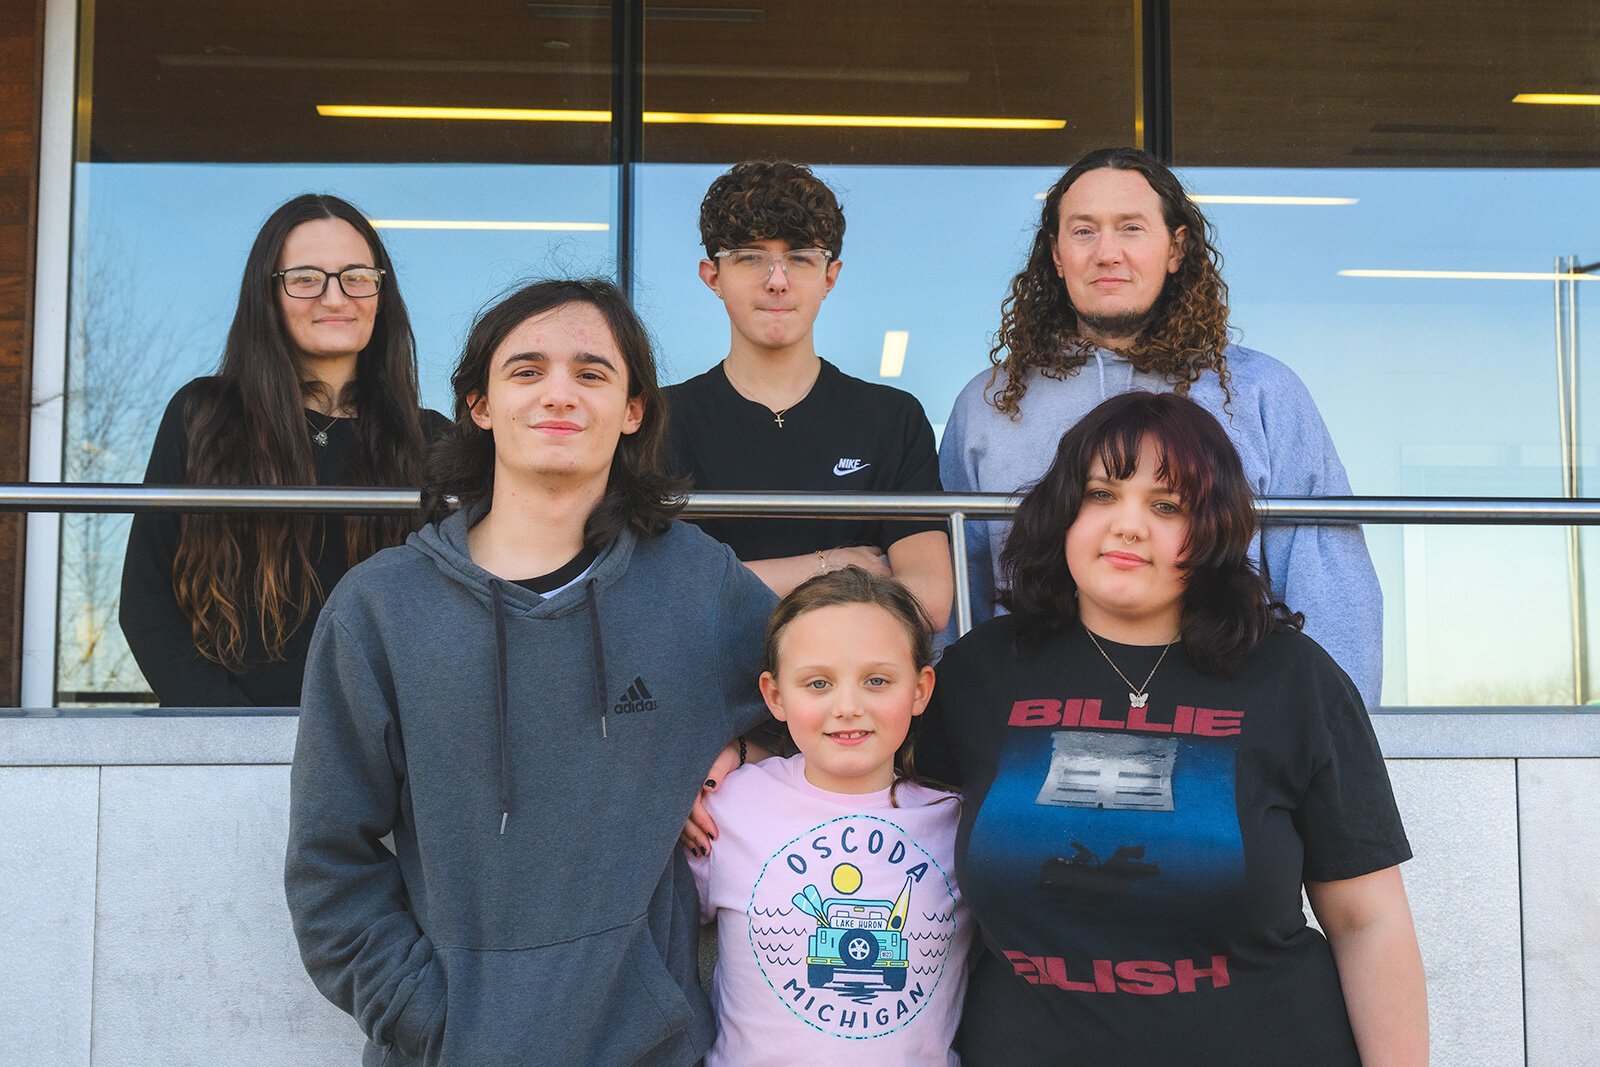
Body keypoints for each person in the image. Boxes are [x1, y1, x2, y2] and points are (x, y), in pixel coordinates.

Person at [285, 278, 778, 1066]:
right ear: (479, 404)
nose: (559, 394)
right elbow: (327, 863)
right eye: (526, 370)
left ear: (633, 410)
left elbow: (856, 701)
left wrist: (743, 760)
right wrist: (426, 1016)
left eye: (591, 373)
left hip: (649, 1046)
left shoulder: (696, 584)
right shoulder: (380, 608)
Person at [919, 391, 1426, 1064]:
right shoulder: (978, 674)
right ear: (1064, 511)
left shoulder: (1292, 680)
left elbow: (1369, 919)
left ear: (1212, 529)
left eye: (1166, 505)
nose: (1128, 526)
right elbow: (850, 783)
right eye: (1101, 494)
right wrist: (734, 753)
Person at [940, 146, 1382, 706]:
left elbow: (1329, 575)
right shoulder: (990, 402)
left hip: (1226, 704)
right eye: (1083, 231)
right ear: (1055, 254)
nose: (1107, 253)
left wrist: (1339, 735)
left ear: (1175, 249)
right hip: (1035, 712)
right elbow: (963, 587)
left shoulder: (1262, 392)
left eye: (1130, 228)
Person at [119, 193, 447, 706]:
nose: (335, 298)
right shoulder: (203, 415)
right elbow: (146, 599)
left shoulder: (431, 440)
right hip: (223, 744)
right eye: (306, 278)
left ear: (382, 294)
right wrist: (228, 732)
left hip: (384, 751)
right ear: (267, 294)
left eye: (357, 276)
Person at [686, 567, 973, 1065]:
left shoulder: (959, 823)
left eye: (877, 680)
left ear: (921, 689)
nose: (847, 706)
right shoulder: (728, 806)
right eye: (818, 683)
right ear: (775, 696)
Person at [665, 159, 952, 629]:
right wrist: (829, 564)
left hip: (851, 695)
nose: (777, 280)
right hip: (704, 696)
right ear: (712, 276)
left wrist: (732, 586)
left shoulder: (891, 419)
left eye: (800, 257)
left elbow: (928, 601)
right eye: (749, 256)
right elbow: (658, 600)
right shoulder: (661, 421)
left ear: (830, 276)